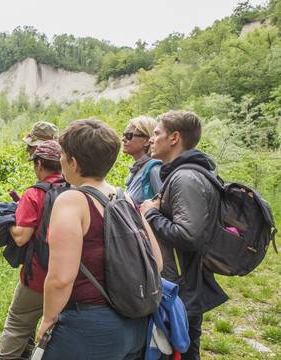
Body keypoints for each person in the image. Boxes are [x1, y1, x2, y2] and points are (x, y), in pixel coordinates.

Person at [36, 118, 163, 359]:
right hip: (134, 323)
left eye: (63, 155)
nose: (61, 160)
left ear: (73, 162)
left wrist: (48, 320)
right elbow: (156, 261)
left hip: (87, 329)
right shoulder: (124, 198)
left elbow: (61, 278)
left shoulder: (72, 201)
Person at [141, 110, 228, 360]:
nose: (151, 139)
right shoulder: (182, 174)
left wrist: (151, 214)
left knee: (181, 351)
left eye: (157, 133)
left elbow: (189, 235)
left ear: (174, 138)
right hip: (182, 284)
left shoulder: (186, 178)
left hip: (182, 289)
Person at [0, 141, 64, 360]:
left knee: (17, 323)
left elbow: (22, 237)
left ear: (40, 163)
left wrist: (8, 222)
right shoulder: (74, 190)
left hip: (37, 276)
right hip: (68, 276)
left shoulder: (34, 194)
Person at [123, 116, 162, 205]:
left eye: (129, 135)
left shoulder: (154, 169)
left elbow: (165, 208)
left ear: (147, 141)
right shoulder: (138, 168)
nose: (123, 139)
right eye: (124, 135)